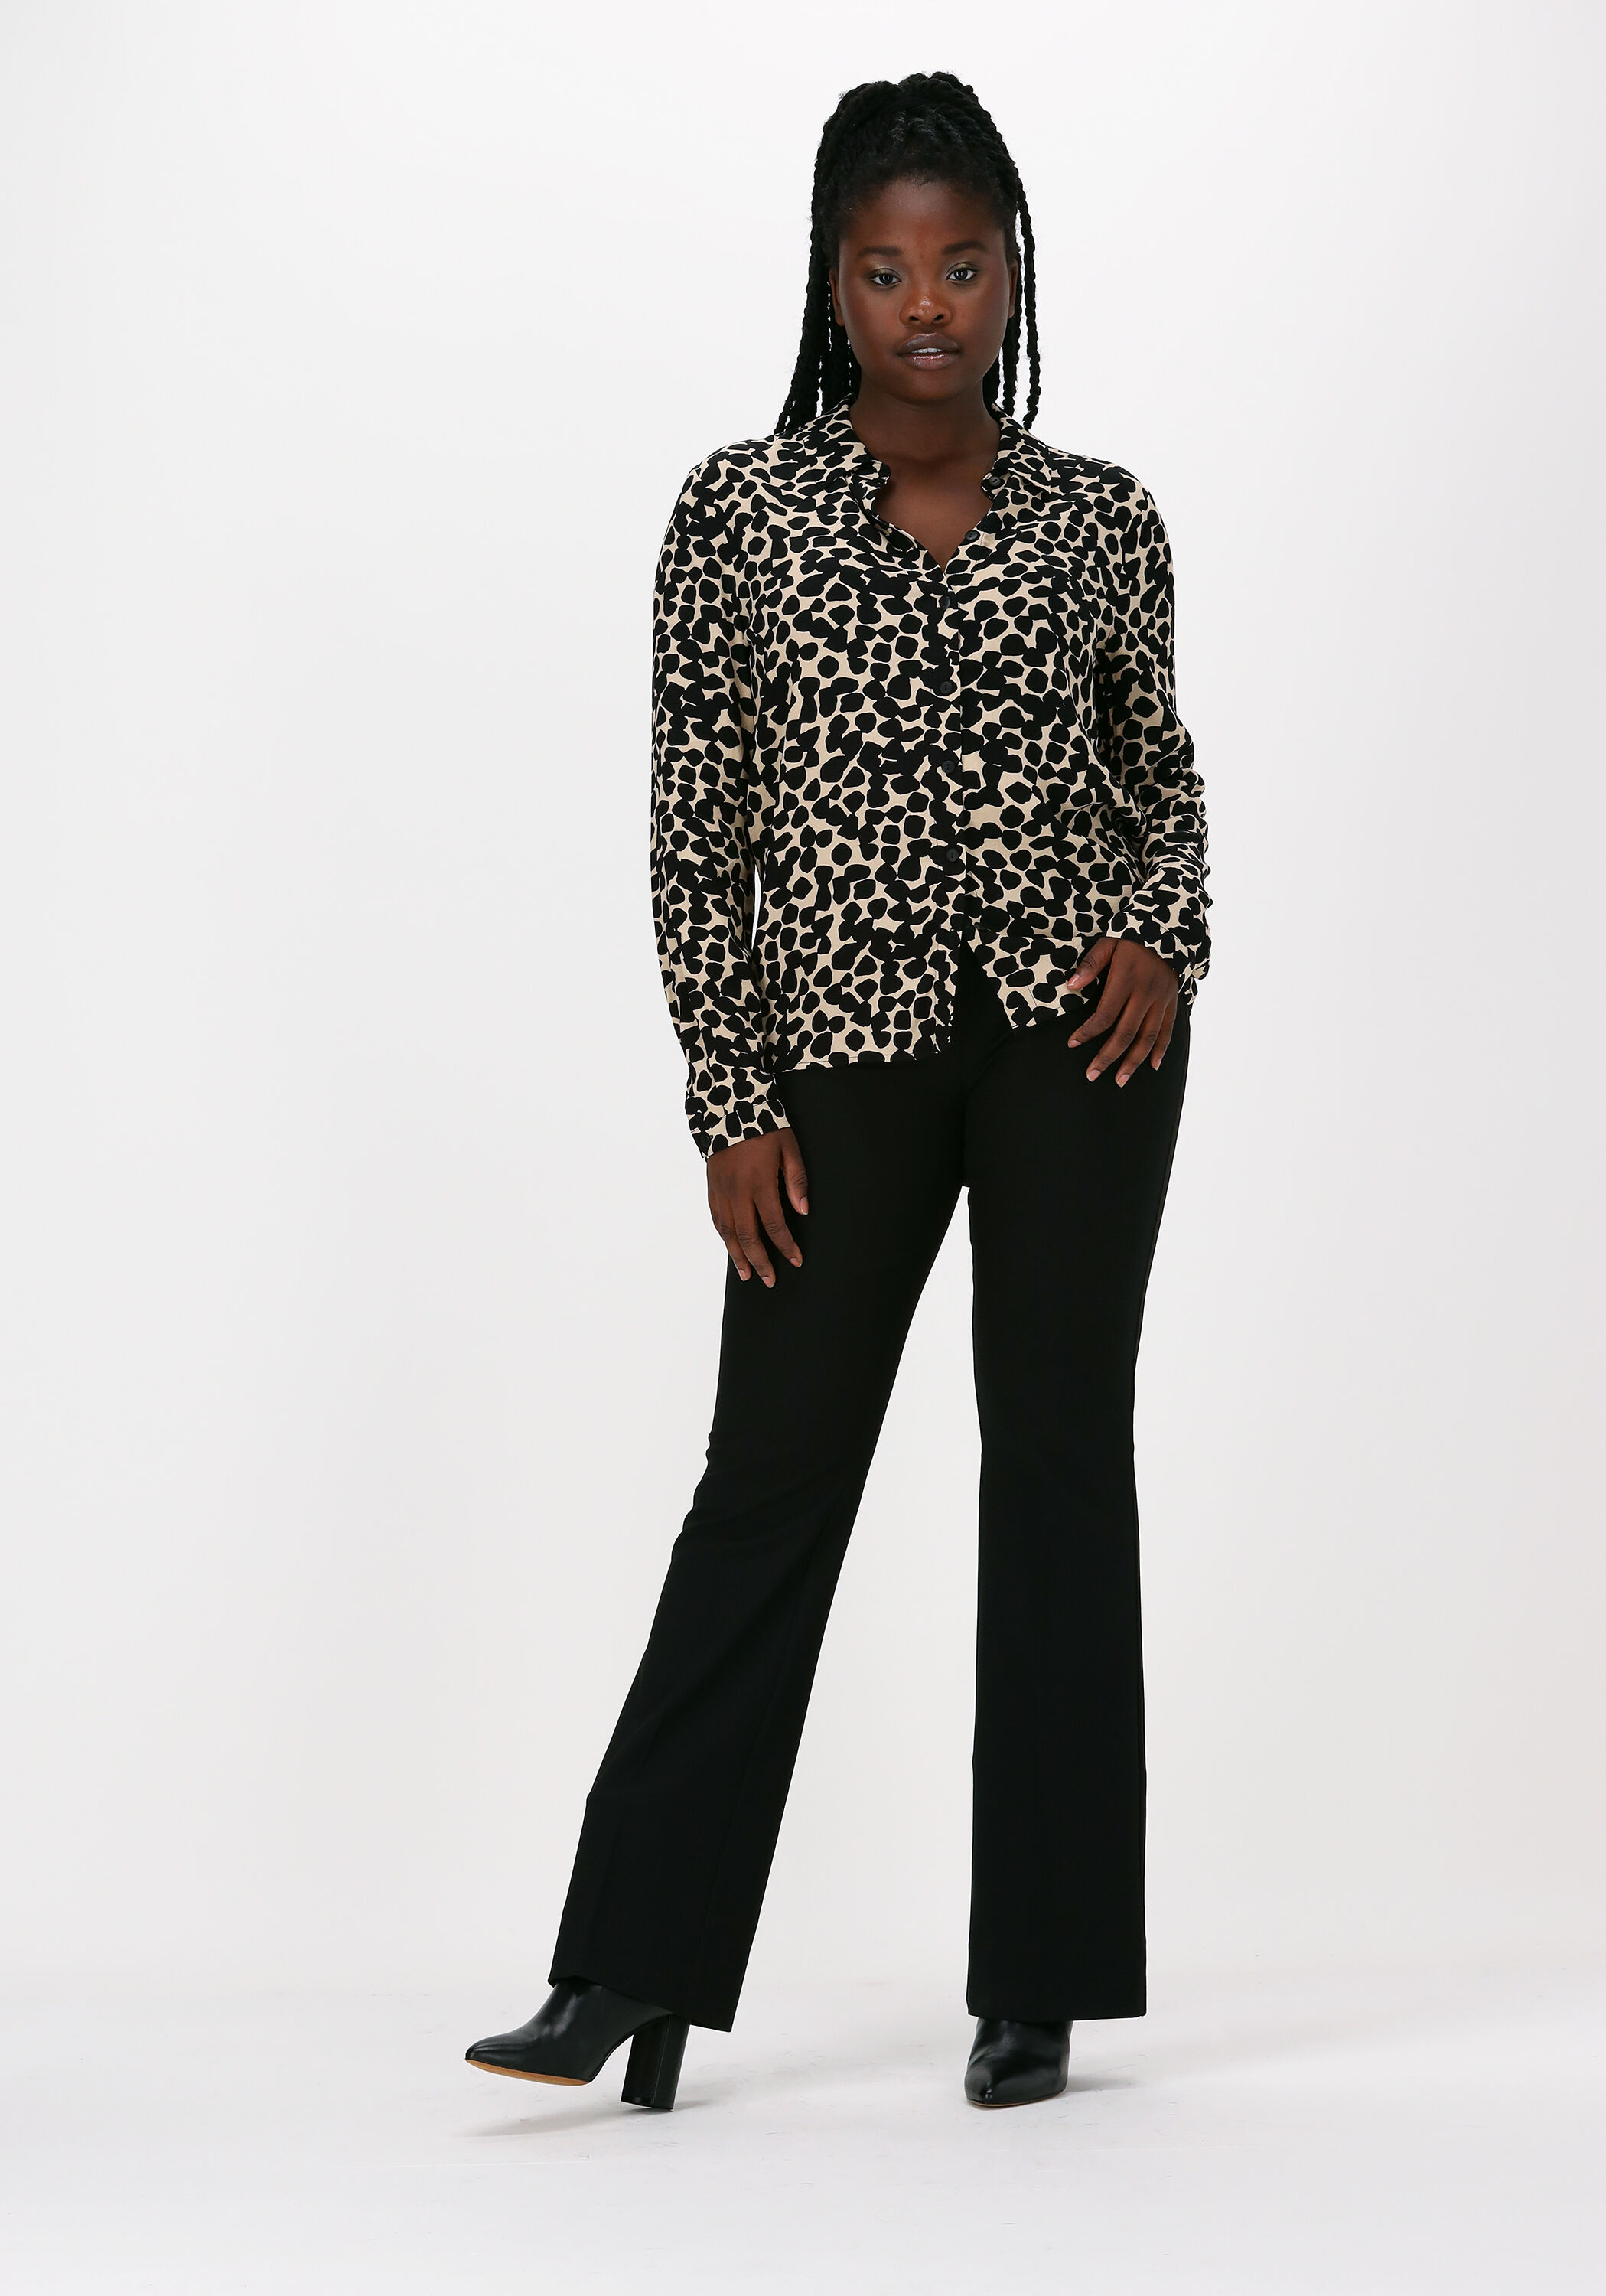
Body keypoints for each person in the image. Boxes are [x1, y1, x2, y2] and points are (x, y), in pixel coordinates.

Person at [466, 70, 1209, 2112]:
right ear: (831, 281)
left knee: (1056, 1464)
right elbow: (693, 834)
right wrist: (729, 1098)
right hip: (837, 1057)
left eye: (961, 265)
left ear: (1011, 275)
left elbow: (1161, 783)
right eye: (885, 269)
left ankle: (1042, 1980)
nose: (926, 305)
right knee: (771, 1474)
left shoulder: (1103, 520)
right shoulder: (736, 517)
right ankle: (627, 1967)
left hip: (1077, 1044)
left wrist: (1163, 936)